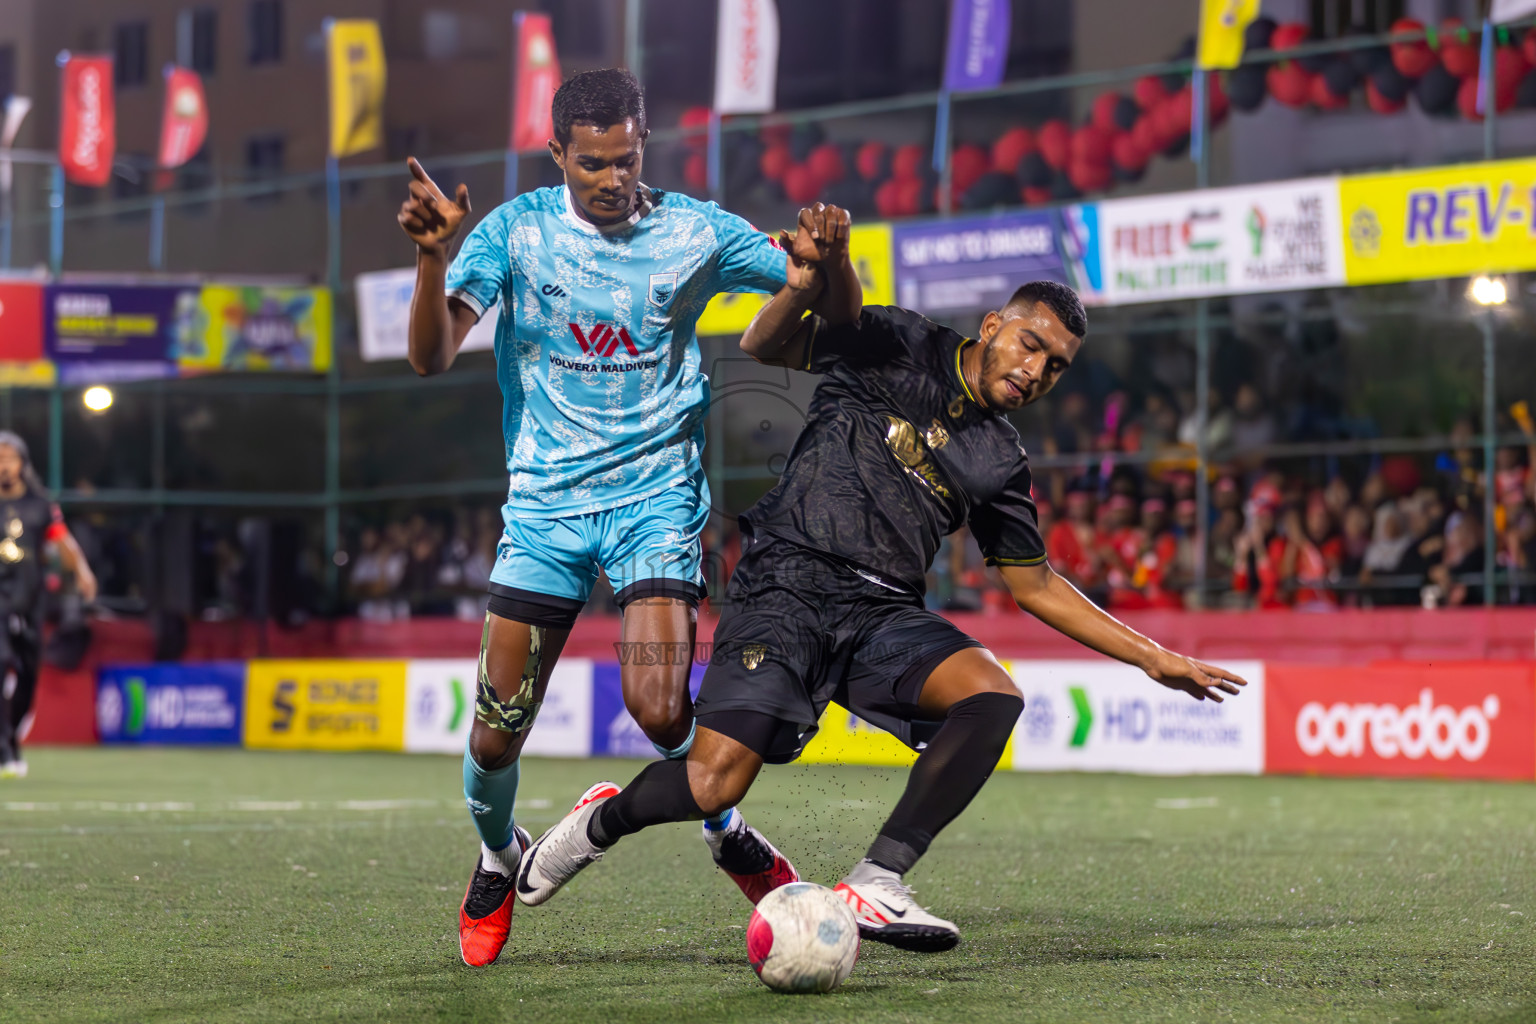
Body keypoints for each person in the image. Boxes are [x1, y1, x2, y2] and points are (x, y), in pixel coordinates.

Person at [513, 257, 1247, 952]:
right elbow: (763, 341)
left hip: (883, 613)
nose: (1035, 372)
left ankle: (878, 880)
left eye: (1055, 366)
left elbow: (1035, 584)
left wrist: (1155, 656)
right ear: (993, 325)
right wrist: (827, 268)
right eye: (1031, 346)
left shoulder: (1000, 458)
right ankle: (597, 824)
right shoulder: (898, 339)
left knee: (992, 698)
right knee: (713, 782)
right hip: (788, 583)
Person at [396, 68, 859, 967]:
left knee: (657, 708)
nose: (610, 179)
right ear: (557, 154)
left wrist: (824, 265)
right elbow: (430, 355)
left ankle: (726, 829)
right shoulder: (516, 231)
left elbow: (836, 310)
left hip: (655, 503)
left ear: (644, 143)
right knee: (497, 728)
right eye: (591, 164)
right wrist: (430, 259)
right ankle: (500, 856)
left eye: (625, 159)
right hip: (544, 510)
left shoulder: (695, 229)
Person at [0, 432, 97, 778]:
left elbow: (62, 540)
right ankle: (1, 748)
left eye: (9, 457)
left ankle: (11, 738)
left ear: (23, 463)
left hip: (31, 598)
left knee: (27, 672)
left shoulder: (40, 505)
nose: (3, 464)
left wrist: (82, 570)